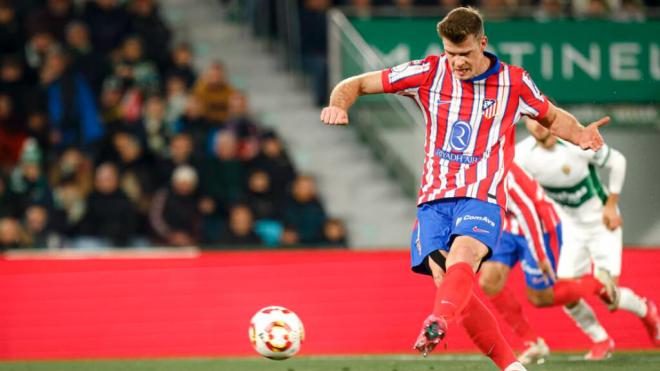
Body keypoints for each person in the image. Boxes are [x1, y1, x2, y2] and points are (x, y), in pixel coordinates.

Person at [320, 7, 608, 371]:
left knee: (465, 258)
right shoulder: (428, 72)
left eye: (465, 54)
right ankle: (511, 366)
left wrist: (580, 133)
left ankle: (437, 321)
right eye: (450, 54)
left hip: (481, 194)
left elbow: (550, 116)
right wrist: (337, 105)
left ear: (483, 43)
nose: (457, 62)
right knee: (450, 285)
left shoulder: (513, 82)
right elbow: (355, 83)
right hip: (433, 201)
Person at [517, 119, 660, 356]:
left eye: (541, 119)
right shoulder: (522, 156)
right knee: (566, 294)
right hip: (572, 229)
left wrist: (611, 205)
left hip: (602, 224)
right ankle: (601, 340)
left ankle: (647, 311)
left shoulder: (576, 141)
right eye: (531, 121)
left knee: (609, 296)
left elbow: (618, 161)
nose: (538, 126)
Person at [480, 163, 620, 364]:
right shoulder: (469, 163)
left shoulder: (498, 167)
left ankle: (597, 284)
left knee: (541, 297)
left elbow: (528, 212)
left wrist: (540, 254)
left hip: (539, 226)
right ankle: (532, 343)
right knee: (489, 282)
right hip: (509, 227)